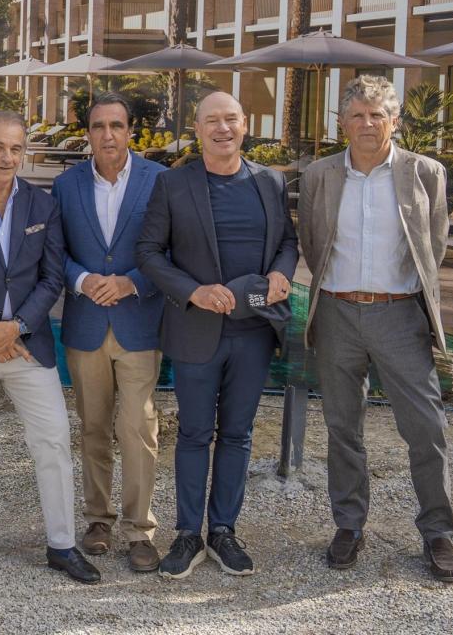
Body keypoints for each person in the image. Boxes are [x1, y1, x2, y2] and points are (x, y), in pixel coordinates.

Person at [298, 75, 453, 582]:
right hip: (337, 314)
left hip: (399, 315)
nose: (368, 124)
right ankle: (349, 525)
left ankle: (438, 533)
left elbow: (433, 245)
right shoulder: (319, 175)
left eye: (378, 114)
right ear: (341, 123)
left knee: (426, 428)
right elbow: (311, 241)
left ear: (395, 120)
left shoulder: (425, 172)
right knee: (343, 428)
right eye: (357, 115)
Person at [136, 91, 298, 580]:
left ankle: (224, 531)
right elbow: (149, 253)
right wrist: (194, 292)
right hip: (195, 330)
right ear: (198, 127)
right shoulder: (173, 183)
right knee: (192, 433)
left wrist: (280, 274)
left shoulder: (270, 182)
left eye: (231, 119)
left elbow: (288, 242)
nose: (222, 128)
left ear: (245, 124)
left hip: (254, 332)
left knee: (237, 434)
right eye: (212, 120)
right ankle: (188, 534)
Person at [0, 112, 99, 584]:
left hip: (29, 346)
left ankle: (62, 544)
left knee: (52, 439)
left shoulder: (42, 206)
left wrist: (18, 326)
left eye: (16, 148)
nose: (8, 157)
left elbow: (53, 278)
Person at [53, 93, 166, 572]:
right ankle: (98, 518)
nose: (107, 135)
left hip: (139, 322)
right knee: (94, 427)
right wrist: (81, 280)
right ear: (88, 133)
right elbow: (52, 251)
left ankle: (140, 529)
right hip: (86, 324)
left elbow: (171, 250)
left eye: (116, 125)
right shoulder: (65, 185)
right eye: (98, 126)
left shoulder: (160, 182)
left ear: (130, 130)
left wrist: (131, 282)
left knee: (137, 426)